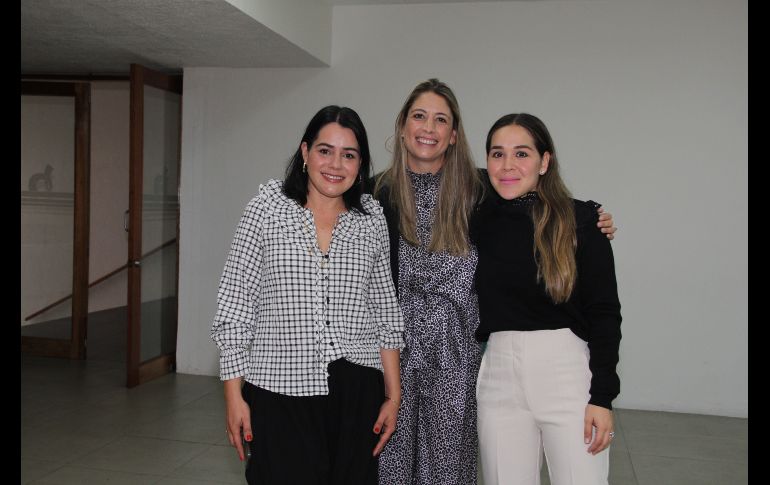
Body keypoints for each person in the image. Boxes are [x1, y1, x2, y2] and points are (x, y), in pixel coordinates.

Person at [372, 79, 617, 484]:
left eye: (440, 120)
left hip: (461, 354)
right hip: (393, 352)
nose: (428, 128)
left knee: (449, 471)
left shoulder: (478, 190)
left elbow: (537, 204)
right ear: (401, 126)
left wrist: (590, 218)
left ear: (454, 136)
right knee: (387, 465)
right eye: (419, 116)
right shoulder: (373, 194)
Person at [211, 105, 405, 485]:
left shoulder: (371, 219)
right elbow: (234, 307)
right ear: (304, 153)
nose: (335, 164)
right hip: (279, 390)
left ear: (360, 163)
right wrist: (234, 396)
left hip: (356, 391)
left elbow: (385, 311)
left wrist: (393, 395)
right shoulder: (266, 210)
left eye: (348, 154)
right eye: (324, 150)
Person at [473, 113, 622, 485]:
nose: (508, 165)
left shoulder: (582, 221)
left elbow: (605, 313)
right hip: (498, 376)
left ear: (544, 161)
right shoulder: (474, 218)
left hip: (567, 374)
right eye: (497, 153)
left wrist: (601, 397)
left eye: (522, 154)